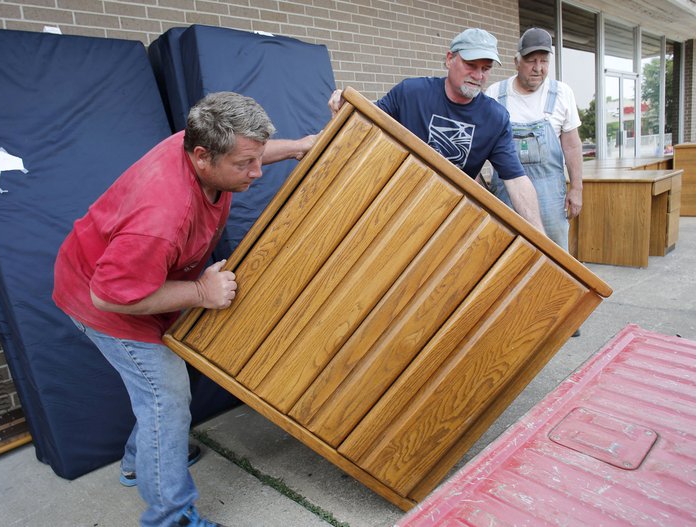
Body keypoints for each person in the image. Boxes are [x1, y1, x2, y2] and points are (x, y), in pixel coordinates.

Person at [53, 92, 311, 527]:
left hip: (143, 278)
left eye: (258, 158)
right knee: (166, 402)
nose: (257, 172)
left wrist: (304, 144)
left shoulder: (205, 142)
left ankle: (142, 460)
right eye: (244, 165)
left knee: (170, 390)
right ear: (202, 156)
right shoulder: (163, 214)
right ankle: (171, 517)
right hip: (104, 299)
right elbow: (110, 295)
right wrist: (201, 293)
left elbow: (254, 150)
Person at [328, 28, 546, 233]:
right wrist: (343, 106)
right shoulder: (411, 93)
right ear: (450, 59)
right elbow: (362, 125)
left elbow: (516, 180)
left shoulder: (495, 119)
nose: (478, 75)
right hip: (392, 209)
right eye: (471, 65)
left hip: (447, 219)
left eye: (486, 68)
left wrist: (541, 239)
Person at [485, 27, 583, 252]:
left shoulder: (561, 93)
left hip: (551, 197)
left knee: (556, 257)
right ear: (516, 61)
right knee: (508, 254)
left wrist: (577, 188)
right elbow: (480, 143)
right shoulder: (494, 94)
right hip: (507, 193)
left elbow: (572, 145)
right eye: (531, 61)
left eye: (544, 61)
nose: (538, 68)